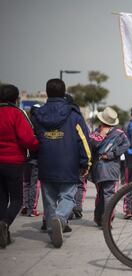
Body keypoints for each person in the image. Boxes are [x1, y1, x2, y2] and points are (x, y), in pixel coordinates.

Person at [32, 78, 92, 248]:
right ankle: (60, 217)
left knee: (49, 200)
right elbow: (84, 141)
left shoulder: (38, 115)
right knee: (68, 197)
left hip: (45, 163)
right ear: (64, 92)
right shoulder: (73, 115)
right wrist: (86, 163)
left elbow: (33, 139)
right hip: (68, 164)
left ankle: (53, 230)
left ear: (47, 93)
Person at [0, 84, 39, 248]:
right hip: (14, 162)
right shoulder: (16, 114)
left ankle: (3, 235)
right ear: (16, 99)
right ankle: (5, 223)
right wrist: (38, 145)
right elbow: (28, 140)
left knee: (1, 199)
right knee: (17, 199)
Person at [89, 106, 129, 227]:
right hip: (111, 169)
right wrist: (112, 154)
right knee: (109, 194)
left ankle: (99, 218)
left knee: (101, 194)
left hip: (98, 169)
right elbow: (126, 145)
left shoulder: (96, 132)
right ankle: (106, 220)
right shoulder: (119, 134)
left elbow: (91, 146)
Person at [21, 104, 42, 218]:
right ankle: (32, 209)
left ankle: (24, 206)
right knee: (35, 184)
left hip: (25, 159)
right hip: (36, 159)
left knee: (25, 183)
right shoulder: (40, 124)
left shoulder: (25, 122)